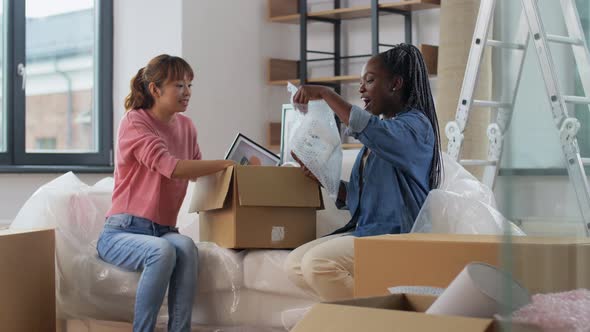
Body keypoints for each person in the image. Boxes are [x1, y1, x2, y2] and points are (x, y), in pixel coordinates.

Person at [285, 44, 443, 301]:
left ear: (395, 84)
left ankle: (374, 320)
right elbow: (362, 197)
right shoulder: (383, 133)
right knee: (294, 265)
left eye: (369, 81)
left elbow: (370, 129)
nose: (361, 89)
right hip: (369, 231)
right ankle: (374, 310)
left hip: (398, 237)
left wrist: (326, 93)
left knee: (317, 263)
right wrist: (326, 178)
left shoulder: (416, 128)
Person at [97, 54, 233, 332]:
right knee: (161, 252)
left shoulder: (186, 126)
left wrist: (235, 171)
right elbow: (171, 167)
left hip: (163, 229)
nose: (187, 93)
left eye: (189, 85)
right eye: (178, 86)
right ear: (155, 90)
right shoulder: (135, 121)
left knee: (185, 247)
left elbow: (194, 171)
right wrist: (225, 163)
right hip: (123, 230)